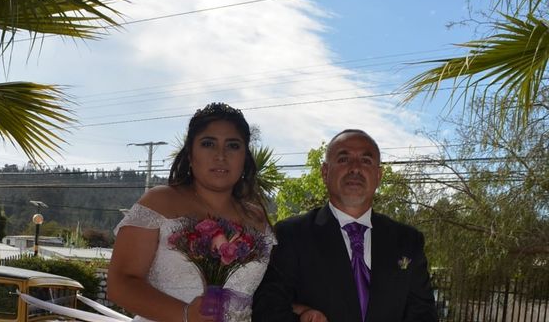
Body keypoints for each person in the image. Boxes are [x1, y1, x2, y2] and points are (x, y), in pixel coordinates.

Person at [107, 102, 273, 322]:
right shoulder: (160, 201)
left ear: (245, 157)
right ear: (190, 154)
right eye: (208, 144)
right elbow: (121, 284)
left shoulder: (257, 217)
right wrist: (185, 314)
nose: (221, 155)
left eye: (233, 145)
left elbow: (268, 290)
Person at [253, 129, 437, 322]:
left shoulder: (408, 240)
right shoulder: (291, 234)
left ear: (378, 175)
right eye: (343, 159)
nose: (355, 169)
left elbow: (423, 313)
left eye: (366, 161)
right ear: (325, 173)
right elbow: (268, 308)